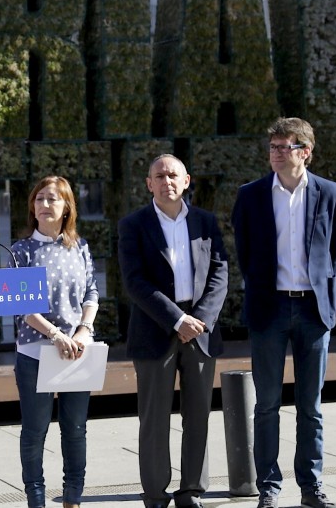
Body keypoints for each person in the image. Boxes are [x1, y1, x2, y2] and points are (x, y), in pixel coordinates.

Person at [232, 117, 336, 508]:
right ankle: (268, 487)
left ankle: (311, 487)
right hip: (270, 307)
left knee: (310, 407)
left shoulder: (330, 193)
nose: (277, 154)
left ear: (306, 152)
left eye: (285, 147)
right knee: (266, 403)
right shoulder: (251, 195)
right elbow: (245, 252)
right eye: (273, 147)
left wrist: (319, 283)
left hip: (314, 311)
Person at [118, 154, 229, 508]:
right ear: (148, 183)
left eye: (173, 175)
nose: (167, 181)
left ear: (186, 181)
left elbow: (220, 274)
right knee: (154, 418)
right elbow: (134, 282)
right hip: (155, 330)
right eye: (159, 176)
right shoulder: (133, 224)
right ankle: (154, 493)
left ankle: (192, 490)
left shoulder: (205, 222)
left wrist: (199, 320)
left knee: (198, 414)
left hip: (200, 332)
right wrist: (176, 320)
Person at [10, 176, 99, 508]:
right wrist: (56, 334)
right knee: (35, 431)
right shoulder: (21, 250)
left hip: (77, 351)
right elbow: (22, 306)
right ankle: (36, 498)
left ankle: (73, 496)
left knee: (75, 428)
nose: (44, 205)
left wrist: (83, 330)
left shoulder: (80, 247)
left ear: (67, 208)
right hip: (35, 352)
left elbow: (91, 292)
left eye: (52, 199)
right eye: (39, 199)